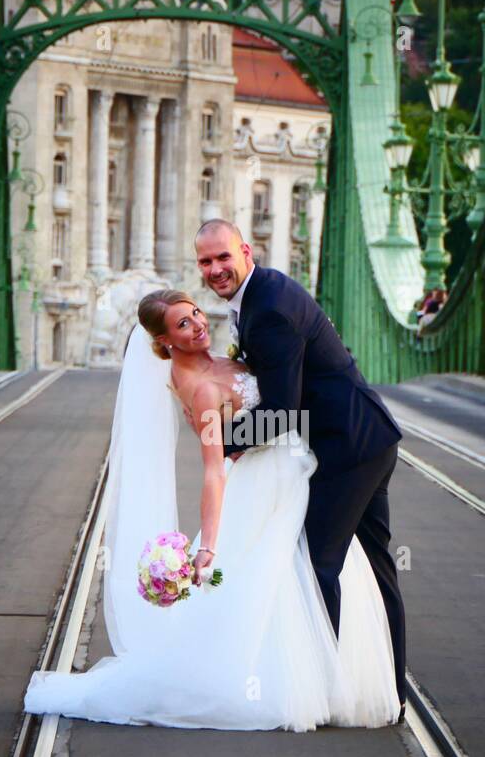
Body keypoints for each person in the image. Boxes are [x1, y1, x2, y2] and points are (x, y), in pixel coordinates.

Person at [22, 290, 399, 731]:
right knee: (274, 579)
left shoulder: (223, 358)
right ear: (164, 342)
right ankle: (290, 686)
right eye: (183, 324)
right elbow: (214, 471)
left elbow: (281, 404)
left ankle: (322, 679)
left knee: (305, 572)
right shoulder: (201, 390)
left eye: (196, 313)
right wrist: (210, 545)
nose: (199, 324)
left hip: (296, 473)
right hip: (264, 486)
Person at [193, 219, 407, 719]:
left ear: (245, 250)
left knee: (316, 564)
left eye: (223, 257)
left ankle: (325, 691)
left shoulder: (267, 310)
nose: (215, 269)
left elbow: (284, 408)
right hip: (366, 436)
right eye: (205, 261)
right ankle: (391, 693)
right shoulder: (263, 293)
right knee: (377, 571)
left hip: (348, 449)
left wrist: (220, 440)